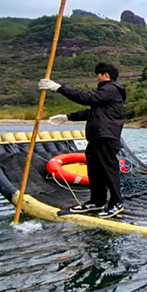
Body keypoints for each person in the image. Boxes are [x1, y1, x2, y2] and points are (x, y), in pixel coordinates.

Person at [38, 63, 127, 218]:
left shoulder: (111, 88)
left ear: (105, 75)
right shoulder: (106, 94)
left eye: (98, 75)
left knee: (108, 170)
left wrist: (59, 88)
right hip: (96, 137)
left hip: (106, 136)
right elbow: (91, 111)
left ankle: (116, 203)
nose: (96, 78)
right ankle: (96, 201)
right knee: (95, 171)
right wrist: (68, 117)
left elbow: (86, 98)